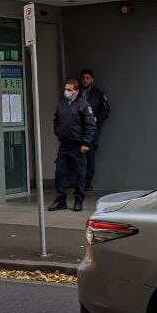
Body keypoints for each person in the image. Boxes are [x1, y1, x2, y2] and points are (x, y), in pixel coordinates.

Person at [50, 78, 97, 212]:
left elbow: (91, 126)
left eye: (69, 90)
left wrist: (86, 143)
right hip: (64, 145)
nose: (66, 92)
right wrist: (58, 132)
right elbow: (56, 121)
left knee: (79, 174)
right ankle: (61, 201)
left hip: (78, 146)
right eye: (65, 89)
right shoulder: (62, 104)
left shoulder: (83, 105)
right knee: (60, 173)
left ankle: (78, 201)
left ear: (76, 92)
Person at [78, 69, 111, 191]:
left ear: (92, 80)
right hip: (78, 130)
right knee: (77, 156)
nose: (85, 80)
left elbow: (107, 110)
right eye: (83, 78)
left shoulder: (98, 94)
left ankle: (88, 183)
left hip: (92, 130)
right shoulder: (76, 92)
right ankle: (78, 182)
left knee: (90, 156)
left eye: (87, 78)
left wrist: (97, 118)